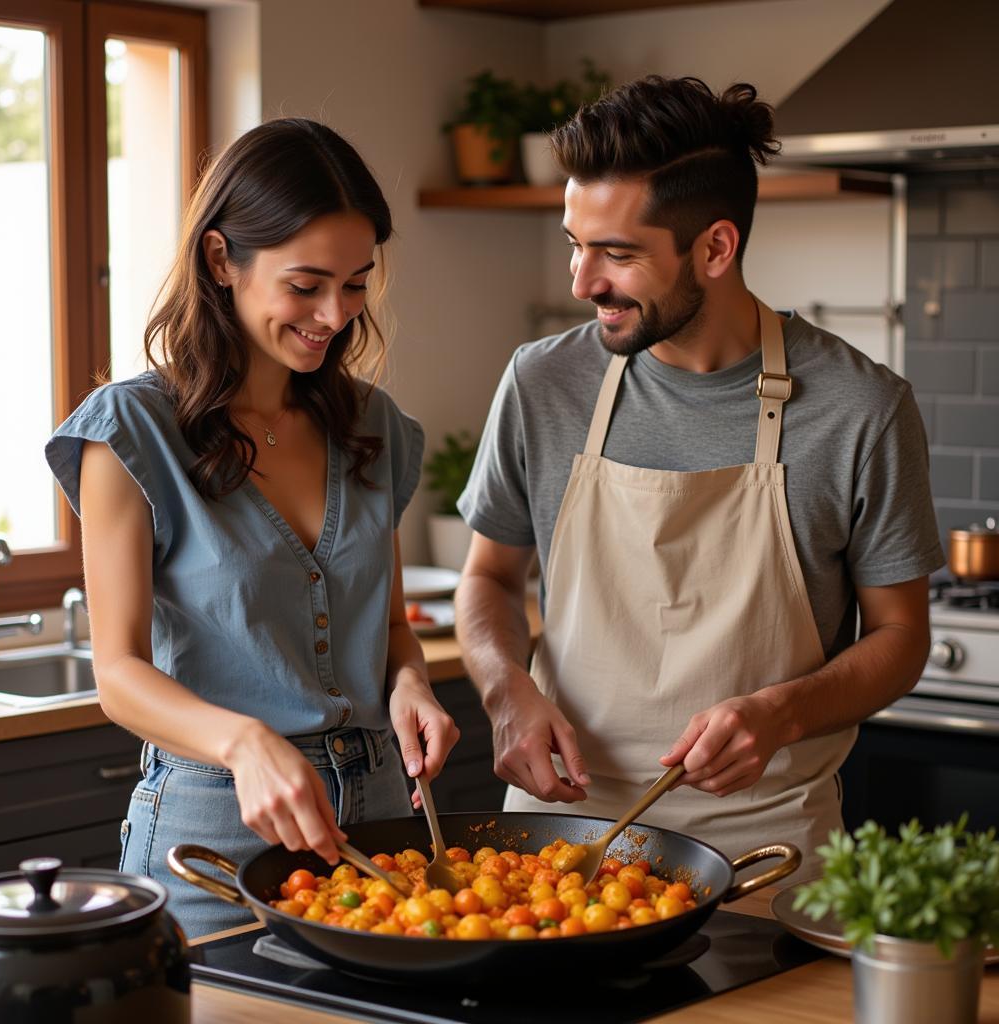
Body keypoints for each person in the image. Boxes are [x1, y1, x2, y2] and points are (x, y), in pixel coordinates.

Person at [454, 76, 943, 875]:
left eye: (616, 254)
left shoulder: (862, 407)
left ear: (715, 248)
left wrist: (782, 713)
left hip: (765, 851)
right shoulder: (543, 382)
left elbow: (900, 637)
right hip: (556, 842)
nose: (582, 282)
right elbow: (490, 579)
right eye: (575, 243)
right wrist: (507, 691)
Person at [46, 118, 458, 937]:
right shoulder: (133, 429)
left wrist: (409, 680)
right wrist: (242, 743)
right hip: (216, 831)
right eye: (306, 285)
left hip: (380, 813)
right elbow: (120, 673)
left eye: (356, 283)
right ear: (221, 259)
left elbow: (386, 627)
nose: (335, 314)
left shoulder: (372, 424)